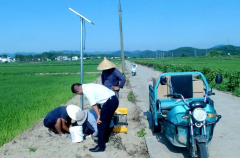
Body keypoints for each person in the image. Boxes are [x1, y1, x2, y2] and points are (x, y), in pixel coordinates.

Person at [71, 83, 119, 152]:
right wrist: (99, 111)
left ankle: (101, 147)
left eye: (78, 93)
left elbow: (93, 104)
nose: (79, 94)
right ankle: (104, 141)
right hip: (113, 99)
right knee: (106, 122)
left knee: (100, 124)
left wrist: (98, 116)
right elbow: (97, 100)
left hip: (110, 102)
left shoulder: (86, 90)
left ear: (78, 91)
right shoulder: (89, 85)